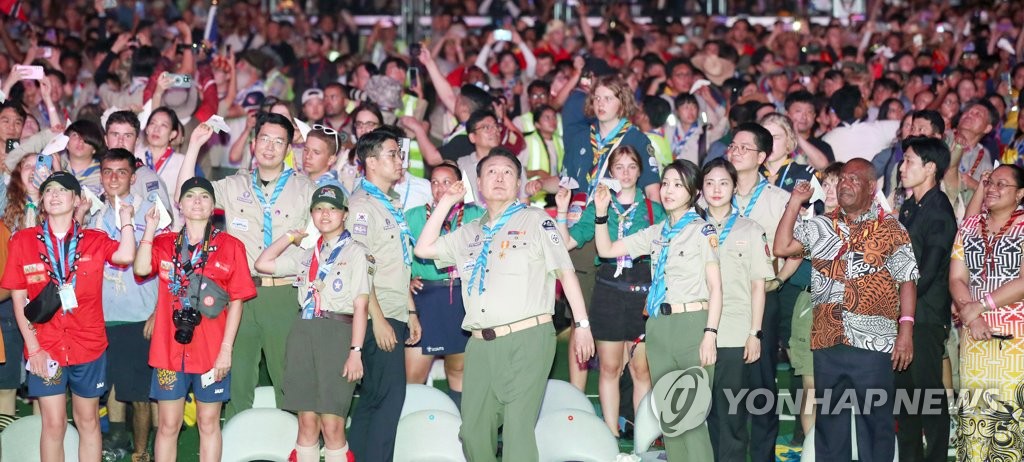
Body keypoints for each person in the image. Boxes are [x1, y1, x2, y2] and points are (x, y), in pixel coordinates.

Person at [413, 149, 595, 461]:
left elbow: (565, 271)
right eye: (491, 173)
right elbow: (423, 248)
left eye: (508, 172)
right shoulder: (468, 232)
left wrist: (582, 325)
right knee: (472, 432)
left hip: (529, 338)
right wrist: (446, 202)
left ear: (518, 183)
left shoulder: (536, 220)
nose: (499, 178)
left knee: (517, 429)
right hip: (480, 343)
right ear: (479, 184)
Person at [774, 159, 919, 461]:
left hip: (873, 343)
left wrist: (906, 331)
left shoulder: (891, 228)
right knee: (830, 424)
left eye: (854, 180)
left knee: (874, 423)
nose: (845, 184)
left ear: (871, 187)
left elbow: (907, 279)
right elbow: (782, 247)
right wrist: (794, 203)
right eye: (842, 180)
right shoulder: (821, 224)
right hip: (828, 338)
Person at [175, 114, 316, 419]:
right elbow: (184, 195)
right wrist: (195, 146)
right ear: (253, 144)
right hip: (239, 295)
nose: (270, 147)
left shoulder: (305, 189)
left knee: (287, 377)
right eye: (264, 139)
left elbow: (315, 244)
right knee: (238, 376)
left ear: (288, 148)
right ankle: (239, 442)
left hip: (284, 293)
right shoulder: (233, 184)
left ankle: (293, 444)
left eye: (279, 141)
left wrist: (281, 267)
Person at [1, 171, 138, 462]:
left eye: (63, 190)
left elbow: (126, 256)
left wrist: (126, 220)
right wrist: (34, 349)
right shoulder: (23, 241)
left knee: (87, 420)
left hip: (88, 346)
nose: (54, 195)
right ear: (42, 200)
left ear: (77, 200)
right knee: (53, 424)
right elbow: (18, 300)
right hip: (45, 348)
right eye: (49, 190)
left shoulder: (93, 239)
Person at [592, 159, 721, 460]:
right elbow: (606, 250)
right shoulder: (657, 232)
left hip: (692, 323)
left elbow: (716, 287)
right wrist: (600, 214)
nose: (669, 191)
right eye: (665, 183)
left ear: (693, 192)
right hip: (658, 327)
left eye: (678, 184)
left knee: (692, 416)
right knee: (670, 417)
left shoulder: (703, 231)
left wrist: (710, 334)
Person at [134, 177, 256, 462]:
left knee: (209, 423)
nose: (197, 201)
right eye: (190, 196)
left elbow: (237, 301)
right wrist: (149, 230)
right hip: (168, 350)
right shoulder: (164, 243)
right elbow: (140, 268)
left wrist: (226, 350)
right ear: (180, 205)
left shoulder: (230, 246)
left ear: (214, 205)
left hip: (212, 350)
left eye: (204, 196)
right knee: (167, 425)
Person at [553, 145, 665, 436]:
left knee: (642, 371)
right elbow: (566, 243)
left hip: (643, 294)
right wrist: (563, 209)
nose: (625, 172)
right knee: (609, 369)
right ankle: (609, 434)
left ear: (640, 171)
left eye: (631, 166)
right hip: (609, 294)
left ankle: (642, 436)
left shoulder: (655, 209)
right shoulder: (598, 205)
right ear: (610, 172)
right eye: (619, 167)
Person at [255, 184, 370, 462]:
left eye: (332, 208)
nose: (325, 214)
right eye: (318, 209)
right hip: (303, 333)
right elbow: (263, 263)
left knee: (332, 424)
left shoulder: (356, 252)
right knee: (306, 422)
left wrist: (356, 352)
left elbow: (361, 305)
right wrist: (289, 237)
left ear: (345, 214)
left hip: (337, 335)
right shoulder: (307, 254)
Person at [344, 128, 421, 462]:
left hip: (393, 309)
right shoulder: (362, 205)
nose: (399, 160)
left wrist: (411, 310)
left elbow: (394, 263)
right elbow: (358, 266)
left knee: (376, 398)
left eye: (399, 153)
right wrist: (378, 319)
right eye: (392, 154)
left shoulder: (386, 202)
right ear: (371, 162)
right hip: (378, 314)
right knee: (388, 401)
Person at [86, 148, 162, 461]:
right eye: (107, 171)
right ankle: (117, 441)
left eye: (121, 172)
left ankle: (142, 451)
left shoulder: (154, 215)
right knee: (113, 384)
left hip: (139, 314)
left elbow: (169, 267)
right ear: (100, 176)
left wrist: (159, 312)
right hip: (103, 315)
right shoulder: (93, 218)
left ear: (133, 176)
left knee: (139, 392)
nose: (114, 177)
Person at [725, 122, 793, 461]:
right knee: (724, 380)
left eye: (743, 148)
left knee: (761, 381)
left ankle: (763, 456)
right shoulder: (715, 194)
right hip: (720, 301)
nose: (734, 152)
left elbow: (799, 249)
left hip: (762, 299)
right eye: (732, 146)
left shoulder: (778, 200)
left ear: (762, 157)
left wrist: (778, 282)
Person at [700, 158, 774, 461]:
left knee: (732, 415)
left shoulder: (751, 230)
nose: (716, 190)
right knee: (703, 414)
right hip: (696, 330)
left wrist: (755, 333)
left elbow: (759, 285)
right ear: (700, 188)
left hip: (734, 332)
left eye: (723, 183)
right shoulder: (691, 227)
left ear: (734, 187)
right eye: (709, 183)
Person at [949, 164, 1024, 461]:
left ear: (1020, 194)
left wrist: (978, 307)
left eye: (1001, 185)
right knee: (975, 425)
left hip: (1014, 341)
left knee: (1009, 426)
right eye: (990, 182)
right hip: (975, 339)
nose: (992, 188)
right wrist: (974, 317)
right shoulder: (968, 226)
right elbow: (956, 278)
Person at [404, 161, 485, 408]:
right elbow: (397, 258)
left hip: (461, 298)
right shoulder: (413, 216)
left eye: (446, 182)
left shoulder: (476, 215)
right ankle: (410, 427)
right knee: (414, 374)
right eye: (435, 183)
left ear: (460, 185)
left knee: (458, 368)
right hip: (425, 298)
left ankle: (459, 429)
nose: (439, 189)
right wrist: (406, 281)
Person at [895, 136, 956, 460]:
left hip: (925, 317)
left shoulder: (939, 210)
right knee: (905, 398)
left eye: (909, 161)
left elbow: (928, 271)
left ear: (930, 168)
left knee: (928, 397)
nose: (902, 168)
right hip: (904, 315)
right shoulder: (909, 206)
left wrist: (899, 308)